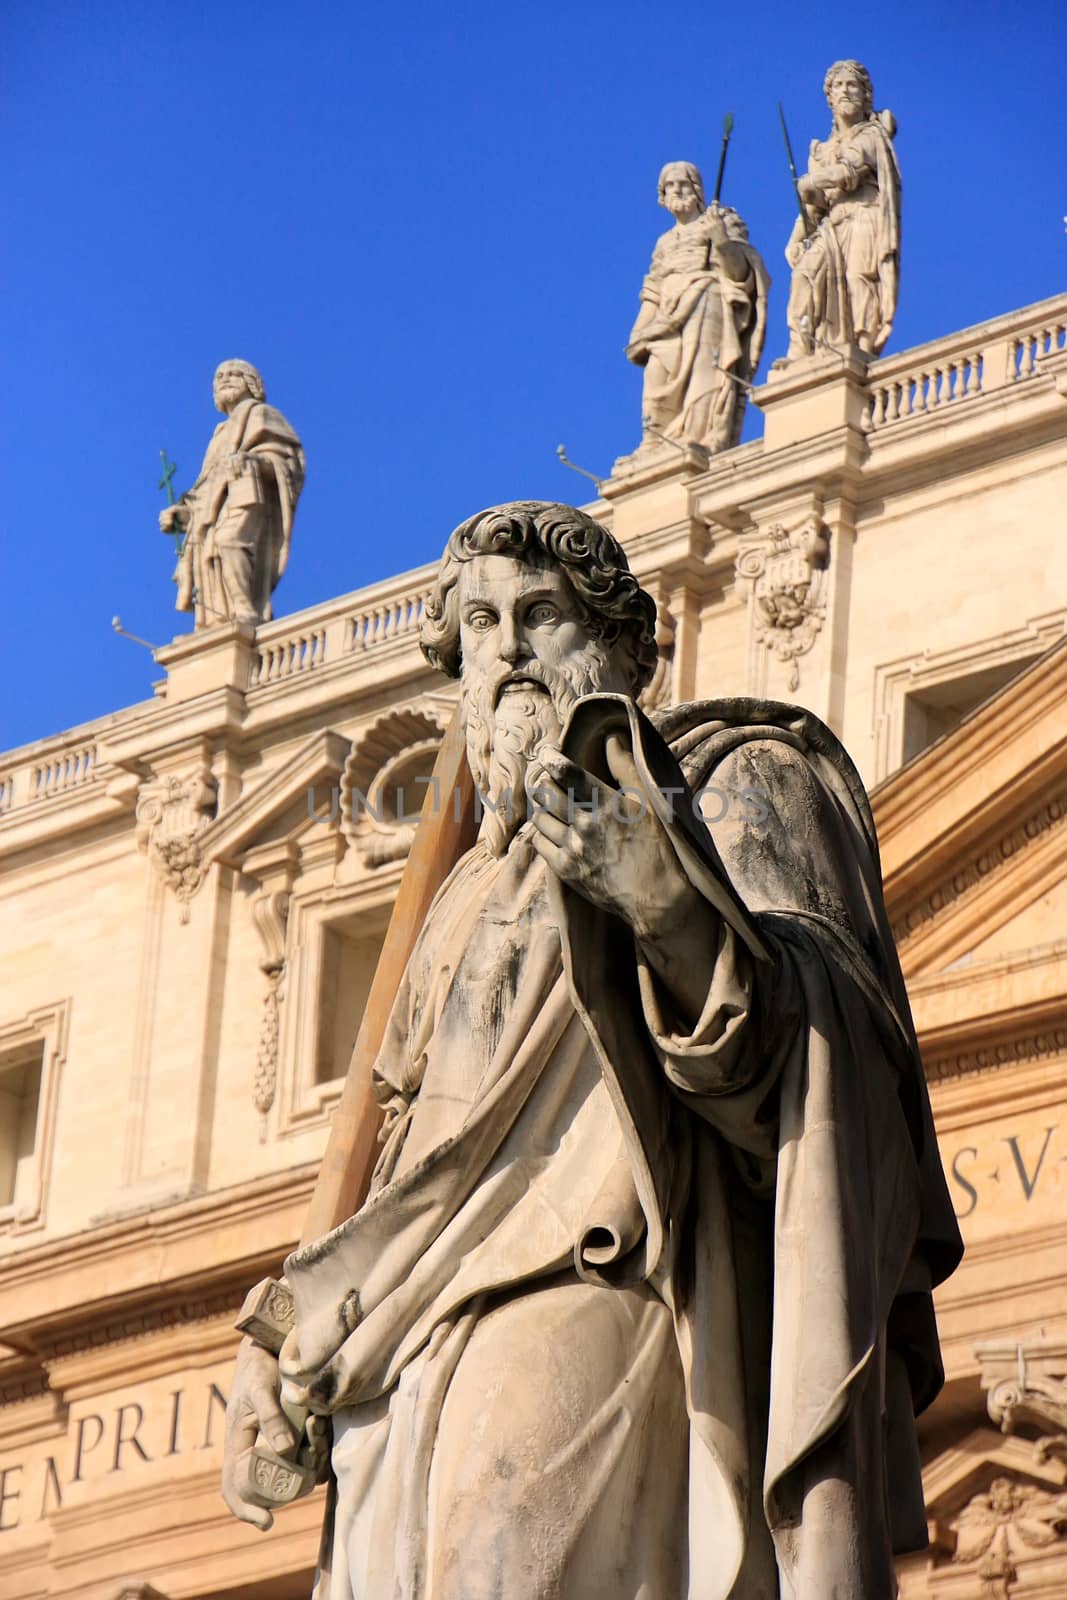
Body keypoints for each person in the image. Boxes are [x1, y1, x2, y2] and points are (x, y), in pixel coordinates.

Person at [223, 501, 962, 1598]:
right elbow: (397, 1168)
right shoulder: (460, 894)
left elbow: (822, 1053)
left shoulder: (726, 781)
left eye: (541, 613)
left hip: (582, 1280)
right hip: (401, 1347)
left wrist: (670, 906)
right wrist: (285, 1329)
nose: (509, 645)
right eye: (480, 624)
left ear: (625, 649)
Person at [627, 163, 769, 454]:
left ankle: (699, 435)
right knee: (655, 371)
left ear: (698, 190)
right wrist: (639, 331)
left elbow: (741, 274)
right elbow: (652, 292)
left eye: (684, 184)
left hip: (707, 303)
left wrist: (720, 239)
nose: (677, 190)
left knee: (705, 370)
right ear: (662, 196)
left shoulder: (721, 220)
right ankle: (654, 440)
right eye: (670, 185)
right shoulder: (664, 242)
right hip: (667, 316)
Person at [160, 359, 305, 628]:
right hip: (217, 504)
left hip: (246, 492)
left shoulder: (262, 415)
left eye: (234, 374)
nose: (224, 379)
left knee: (229, 541)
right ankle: (219, 620)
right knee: (211, 554)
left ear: (251, 383)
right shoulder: (219, 433)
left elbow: (288, 461)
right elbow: (206, 484)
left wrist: (255, 461)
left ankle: (244, 609)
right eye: (219, 376)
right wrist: (184, 512)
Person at [784, 60, 901, 360]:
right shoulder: (822, 149)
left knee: (858, 277)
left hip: (864, 214)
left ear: (865, 96)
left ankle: (862, 345)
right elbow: (815, 205)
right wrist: (797, 237)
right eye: (839, 86)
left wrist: (812, 181)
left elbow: (849, 170)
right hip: (832, 223)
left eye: (853, 85)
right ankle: (801, 346)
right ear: (830, 98)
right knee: (805, 273)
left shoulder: (871, 136)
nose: (846, 91)